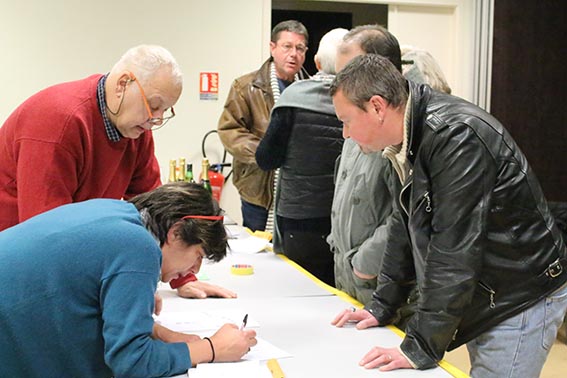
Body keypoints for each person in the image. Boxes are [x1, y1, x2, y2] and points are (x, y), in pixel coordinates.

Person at [330, 54, 567, 377]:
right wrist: (383, 304)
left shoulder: (456, 136)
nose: (345, 133)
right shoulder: (412, 133)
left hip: (519, 293)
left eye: (346, 120)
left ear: (376, 106)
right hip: (490, 289)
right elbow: (405, 222)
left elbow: (454, 248)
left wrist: (421, 346)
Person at [0, 44, 232, 300]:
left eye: (165, 111)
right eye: (153, 106)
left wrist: (182, 274)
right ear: (123, 84)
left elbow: (159, 210)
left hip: (60, 250)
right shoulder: (58, 122)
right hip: (18, 263)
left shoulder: (136, 130)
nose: (156, 119)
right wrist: (125, 284)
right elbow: (47, 233)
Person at [0, 182, 257, 377]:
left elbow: (82, 293)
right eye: (197, 255)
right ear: (176, 233)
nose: (194, 270)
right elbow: (131, 362)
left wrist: (157, 332)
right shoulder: (138, 247)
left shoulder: (117, 212)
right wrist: (213, 349)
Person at [328, 25, 415, 307]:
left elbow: (407, 213)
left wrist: (364, 262)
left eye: (350, 73)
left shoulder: (403, 131)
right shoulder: (354, 114)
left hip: (383, 287)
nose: (343, 84)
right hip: (351, 279)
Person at [255, 28, 347, 286]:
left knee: (297, 288)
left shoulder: (294, 97)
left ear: (316, 62)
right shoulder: (358, 102)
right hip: (343, 218)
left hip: (298, 216)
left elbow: (266, 158)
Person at [218, 20, 308, 231]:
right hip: (256, 187)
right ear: (272, 47)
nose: (293, 54)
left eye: (300, 48)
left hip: (297, 192)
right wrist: (264, 153)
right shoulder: (246, 86)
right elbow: (229, 130)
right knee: (258, 250)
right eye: (287, 46)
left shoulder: (310, 90)